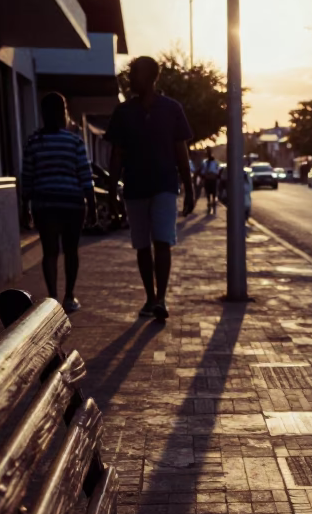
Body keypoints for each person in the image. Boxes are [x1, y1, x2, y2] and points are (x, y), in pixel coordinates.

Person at [107, 56, 194, 321]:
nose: (130, 78)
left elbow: (181, 151)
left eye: (135, 73)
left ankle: (161, 299)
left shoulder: (172, 109)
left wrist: (189, 189)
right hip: (134, 188)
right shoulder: (123, 112)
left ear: (151, 77)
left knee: (163, 241)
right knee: (142, 245)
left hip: (165, 186)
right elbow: (117, 155)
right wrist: (112, 191)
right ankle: (150, 297)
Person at [20, 92, 96, 313]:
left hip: (45, 205)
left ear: (43, 114)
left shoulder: (34, 142)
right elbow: (85, 174)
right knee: (71, 251)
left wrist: (25, 208)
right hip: (72, 204)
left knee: (50, 251)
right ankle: (69, 296)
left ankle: (53, 297)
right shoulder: (74, 141)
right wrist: (92, 206)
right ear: (63, 113)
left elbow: (28, 177)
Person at [201, 148, 221, 216]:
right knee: (208, 193)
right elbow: (203, 171)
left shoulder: (215, 162)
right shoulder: (205, 162)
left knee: (214, 192)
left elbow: (218, 170)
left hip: (213, 179)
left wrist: (216, 175)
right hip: (208, 179)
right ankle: (209, 203)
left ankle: (214, 204)